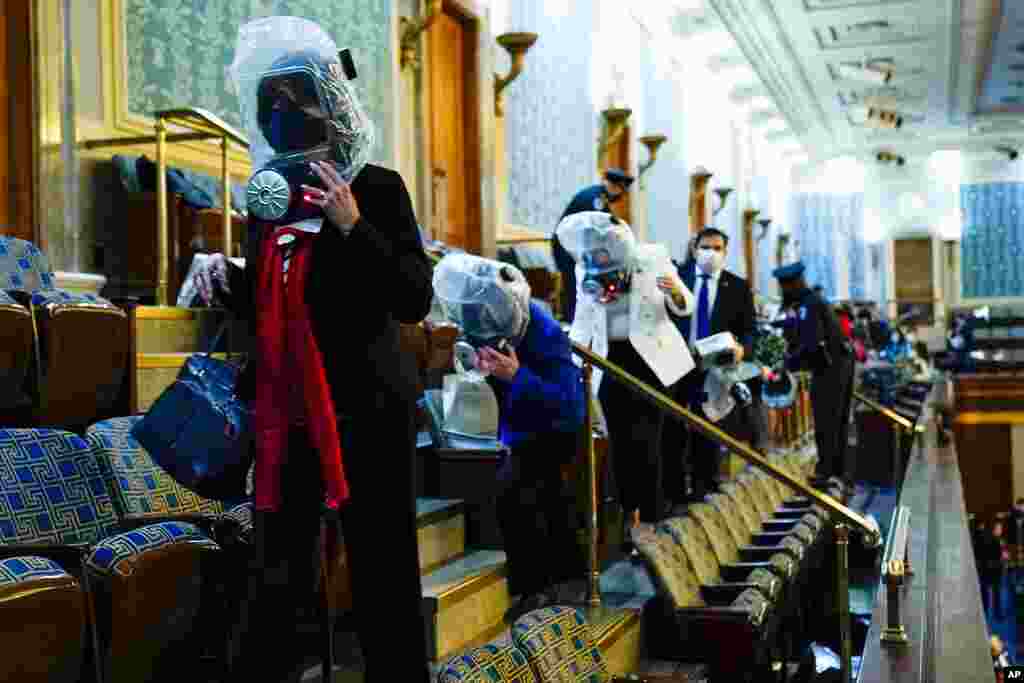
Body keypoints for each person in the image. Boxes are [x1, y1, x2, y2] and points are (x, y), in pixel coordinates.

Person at [193, 17, 431, 682]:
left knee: (384, 575)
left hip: (368, 412)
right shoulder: (268, 198)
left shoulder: (377, 186)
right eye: (266, 104)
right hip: (289, 412)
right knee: (279, 571)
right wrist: (227, 280)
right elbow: (276, 300)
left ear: (327, 103)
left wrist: (353, 225)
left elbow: (412, 295)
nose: (278, 115)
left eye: (291, 101)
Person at [432, 253, 585, 622]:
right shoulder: (482, 313)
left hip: (554, 430)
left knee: (539, 504)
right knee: (519, 503)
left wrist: (517, 376)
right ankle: (536, 591)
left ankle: (554, 592)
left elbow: (570, 404)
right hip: (518, 430)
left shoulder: (544, 331)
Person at [557, 212, 695, 531]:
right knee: (617, 439)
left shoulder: (652, 256)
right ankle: (626, 516)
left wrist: (674, 289)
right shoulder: (584, 268)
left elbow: (684, 304)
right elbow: (584, 317)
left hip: (653, 360)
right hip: (611, 359)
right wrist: (574, 360)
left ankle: (653, 517)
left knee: (648, 439)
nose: (597, 252)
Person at [669, 227, 757, 502]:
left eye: (717, 248)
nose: (711, 253)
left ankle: (704, 487)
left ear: (725, 253)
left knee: (708, 425)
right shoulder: (678, 279)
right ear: (695, 249)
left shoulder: (738, 286)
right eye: (705, 247)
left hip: (716, 368)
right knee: (674, 426)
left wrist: (743, 348)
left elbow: (751, 330)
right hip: (678, 363)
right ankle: (673, 491)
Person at [772, 262, 855, 482]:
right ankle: (837, 469)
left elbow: (812, 344)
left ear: (791, 285)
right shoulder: (810, 301)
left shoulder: (809, 305)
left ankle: (826, 470)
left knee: (826, 417)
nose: (783, 292)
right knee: (836, 418)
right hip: (838, 362)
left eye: (784, 287)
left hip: (830, 365)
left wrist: (787, 363)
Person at [551, 168, 635, 323]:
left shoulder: (599, 196)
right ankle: (573, 324)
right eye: (620, 190)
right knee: (574, 287)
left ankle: (577, 321)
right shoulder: (595, 200)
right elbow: (599, 231)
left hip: (573, 247)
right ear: (612, 186)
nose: (620, 195)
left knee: (579, 287)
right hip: (567, 249)